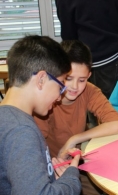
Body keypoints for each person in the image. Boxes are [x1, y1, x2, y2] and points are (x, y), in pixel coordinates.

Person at [34, 40, 118, 195]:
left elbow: (116, 124)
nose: (75, 86)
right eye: (68, 78)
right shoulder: (46, 101)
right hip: (49, 169)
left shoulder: (89, 90)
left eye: (82, 80)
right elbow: (36, 151)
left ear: (89, 75)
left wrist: (74, 139)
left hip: (78, 165)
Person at [0, 35, 81, 194]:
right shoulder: (21, 131)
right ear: (42, 79)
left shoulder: (8, 118)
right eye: (60, 85)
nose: (59, 97)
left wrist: (50, 171)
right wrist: (71, 177)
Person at [56, 0, 118, 99]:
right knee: (115, 105)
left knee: (88, 105)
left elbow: (68, 31)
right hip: (111, 56)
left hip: (83, 59)